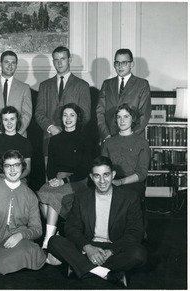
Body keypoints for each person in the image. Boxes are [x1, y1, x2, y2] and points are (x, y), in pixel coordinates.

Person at [48, 156, 147, 288]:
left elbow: (134, 232)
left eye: (106, 175)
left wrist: (111, 251)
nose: (102, 181)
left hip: (115, 247)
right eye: (97, 176)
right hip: (88, 245)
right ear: (91, 176)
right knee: (54, 241)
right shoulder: (82, 197)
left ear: (113, 175)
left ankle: (81, 267)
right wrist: (88, 248)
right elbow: (72, 228)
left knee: (139, 254)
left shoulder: (130, 197)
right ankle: (104, 272)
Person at [0, 150, 46, 275]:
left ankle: (24, 259)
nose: (12, 170)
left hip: (22, 242)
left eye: (16, 165)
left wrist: (21, 235)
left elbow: (37, 229)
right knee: (3, 262)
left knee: (32, 251)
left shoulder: (30, 194)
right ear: (2, 168)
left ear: (22, 167)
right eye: (8, 165)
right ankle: (24, 262)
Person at [38, 103, 91, 249]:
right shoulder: (54, 139)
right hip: (58, 178)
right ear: (61, 118)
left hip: (77, 179)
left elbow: (85, 169)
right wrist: (52, 180)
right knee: (42, 194)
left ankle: (48, 239)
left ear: (77, 118)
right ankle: (55, 233)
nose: (68, 118)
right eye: (65, 115)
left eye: (72, 115)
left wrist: (64, 181)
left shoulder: (84, 139)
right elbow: (51, 166)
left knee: (54, 197)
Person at [35, 46, 91, 159]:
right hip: (50, 140)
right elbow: (39, 113)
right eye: (56, 60)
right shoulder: (44, 86)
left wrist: (68, 132)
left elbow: (86, 114)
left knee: (72, 176)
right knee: (50, 176)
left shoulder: (82, 85)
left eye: (63, 59)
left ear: (69, 60)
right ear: (53, 62)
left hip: (74, 142)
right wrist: (51, 128)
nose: (59, 63)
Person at [101, 104, 150, 230]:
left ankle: (132, 233)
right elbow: (102, 167)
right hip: (109, 180)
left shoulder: (142, 143)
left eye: (126, 116)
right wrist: (109, 180)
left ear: (132, 119)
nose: (122, 120)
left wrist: (121, 181)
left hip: (132, 181)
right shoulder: (108, 142)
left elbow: (142, 173)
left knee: (128, 196)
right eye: (119, 117)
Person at [96, 48, 151, 143]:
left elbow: (144, 115)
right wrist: (106, 135)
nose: (120, 66)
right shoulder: (107, 84)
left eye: (124, 62)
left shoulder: (142, 84)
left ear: (131, 64)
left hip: (133, 140)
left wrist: (128, 136)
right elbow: (99, 113)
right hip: (110, 139)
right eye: (117, 63)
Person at [0, 50, 32, 146]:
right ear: (0, 64)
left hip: (18, 139)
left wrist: (14, 135)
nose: (10, 66)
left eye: (13, 63)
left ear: (16, 65)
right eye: (6, 62)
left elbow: (27, 114)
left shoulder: (24, 88)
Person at [0, 106, 32, 182]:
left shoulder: (25, 142)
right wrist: (1, 180)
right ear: (2, 121)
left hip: (18, 177)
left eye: (12, 119)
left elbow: (27, 169)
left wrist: (16, 179)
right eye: (5, 120)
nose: (9, 123)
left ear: (17, 120)